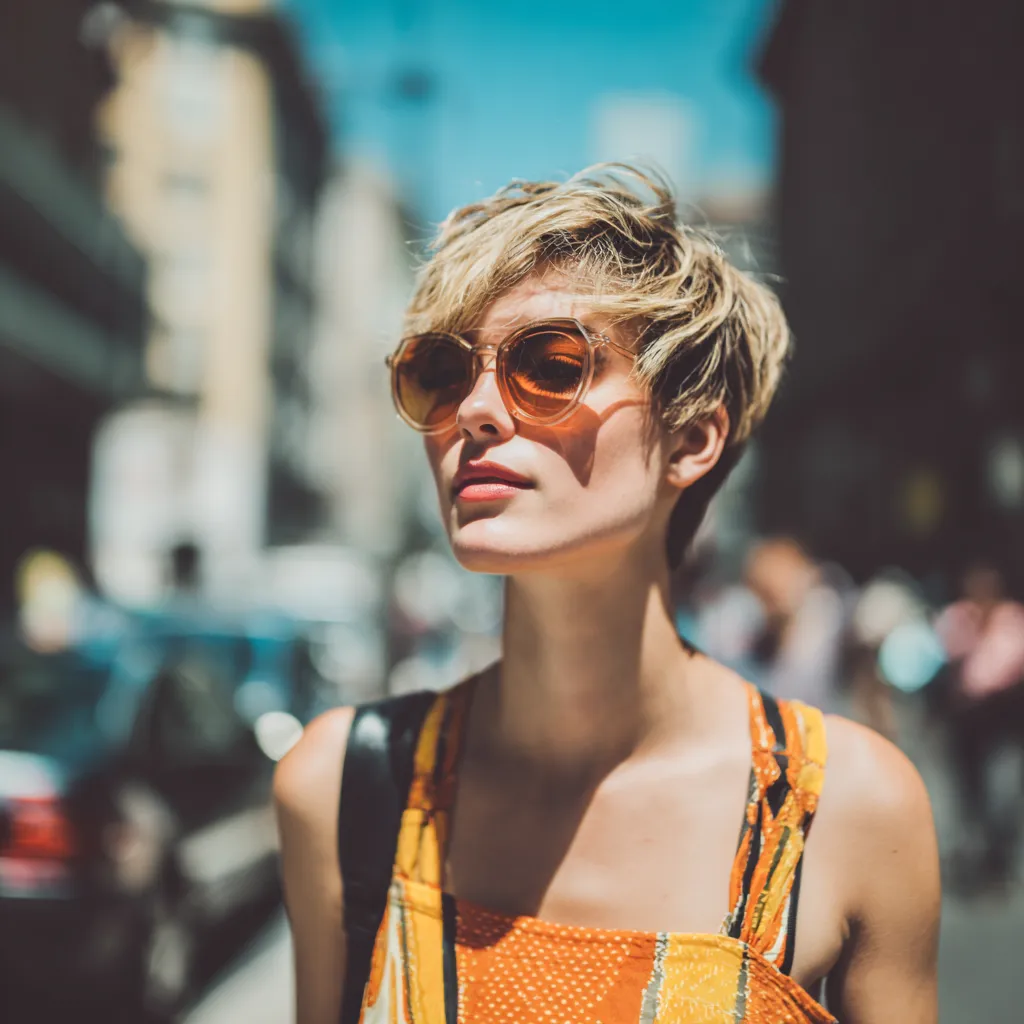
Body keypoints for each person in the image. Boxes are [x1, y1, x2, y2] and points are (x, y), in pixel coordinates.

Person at [274, 166, 939, 1024]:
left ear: (691, 439)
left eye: (549, 365)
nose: (473, 410)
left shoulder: (845, 808)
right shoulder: (345, 786)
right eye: (441, 369)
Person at [934, 559, 1024, 892]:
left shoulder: (1012, 620)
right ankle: (977, 856)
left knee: (1002, 790)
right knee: (970, 793)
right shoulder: (957, 618)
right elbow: (944, 659)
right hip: (965, 722)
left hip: (1002, 719)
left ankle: (998, 859)